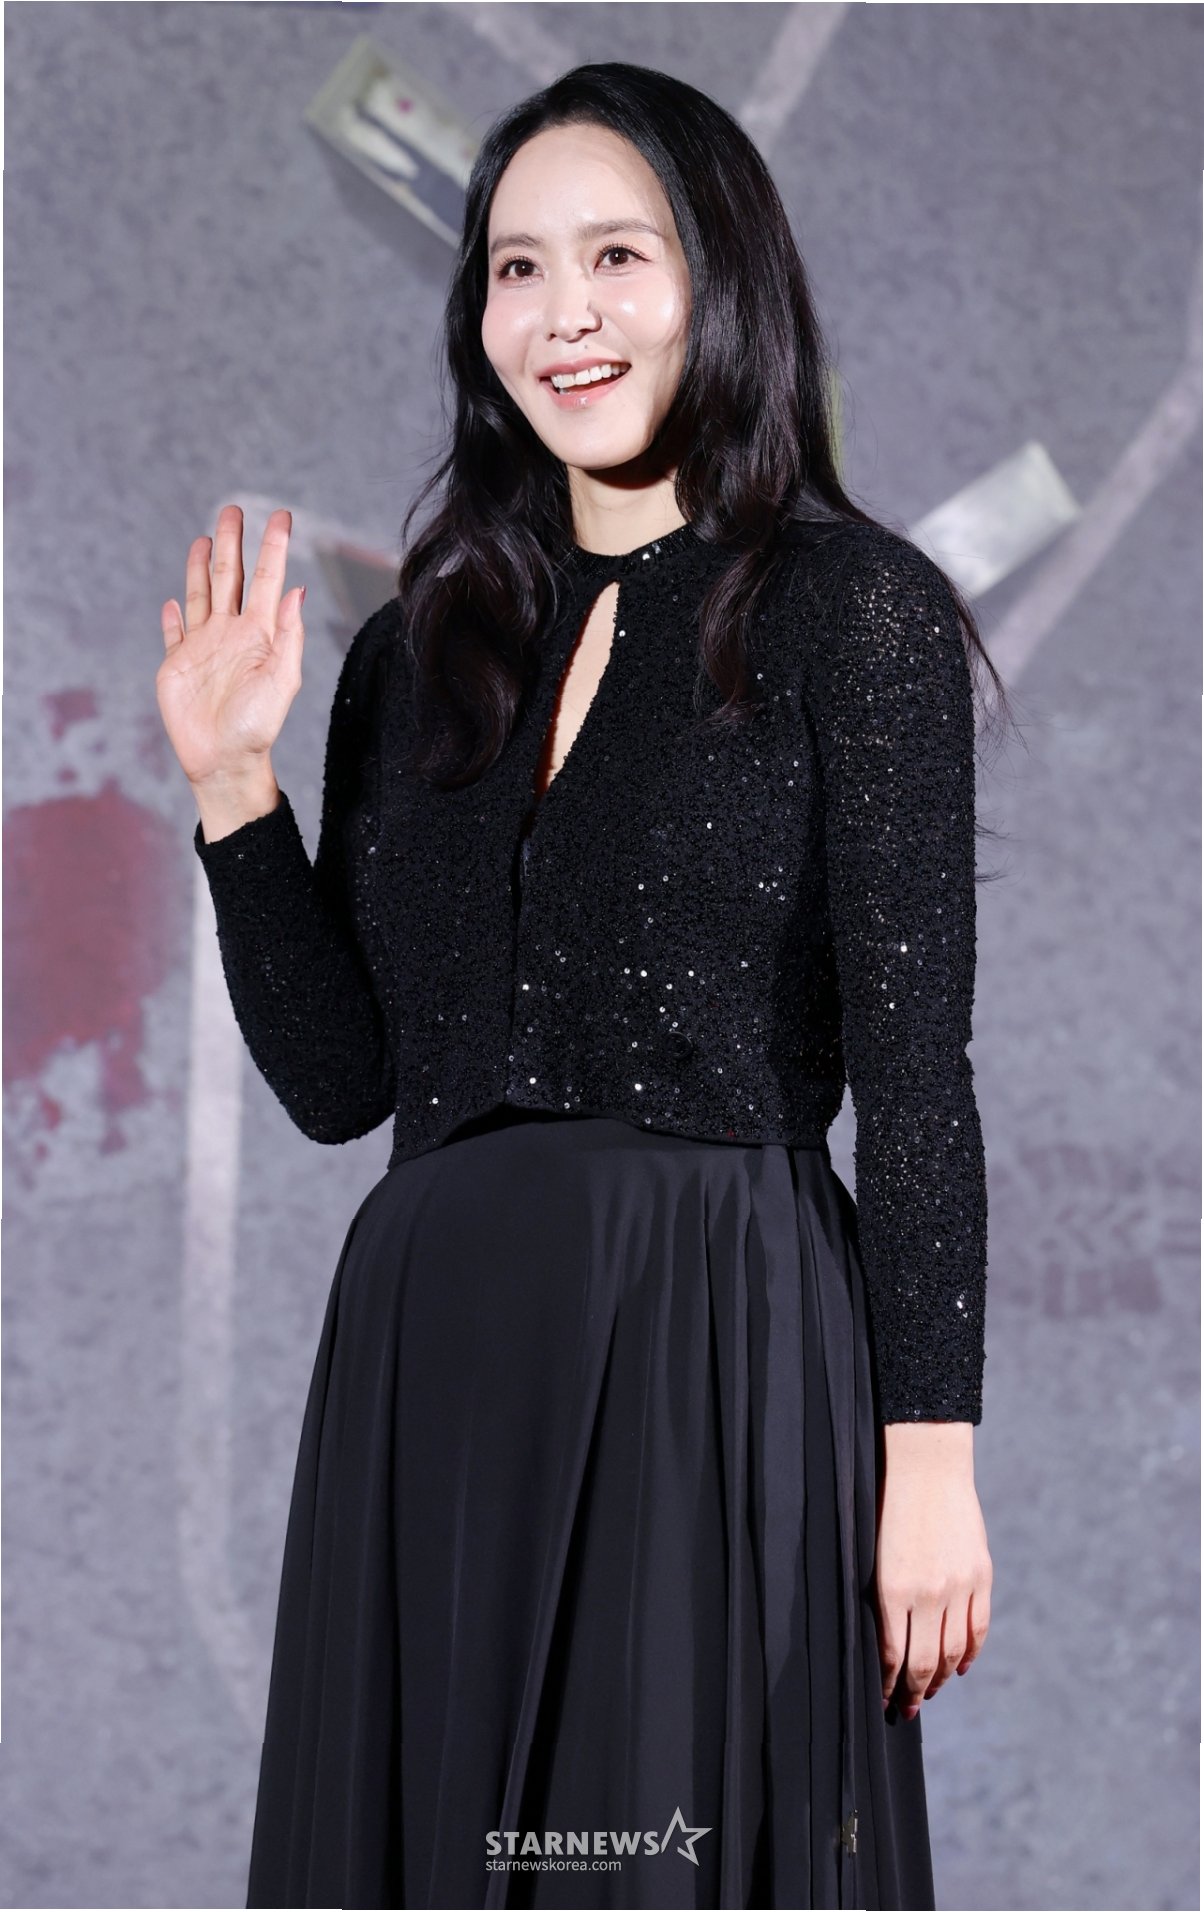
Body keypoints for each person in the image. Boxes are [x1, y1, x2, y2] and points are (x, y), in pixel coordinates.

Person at [157, 62, 1007, 1912]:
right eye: (518, 269)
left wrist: (930, 1458)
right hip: (430, 1362)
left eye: (617, 256)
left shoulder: (850, 611)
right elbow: (342, 1084)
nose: (564, 313)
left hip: (715, 1336)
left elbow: (916, 1072)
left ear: (719, 280)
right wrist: (234, 790)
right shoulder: (417, 651)